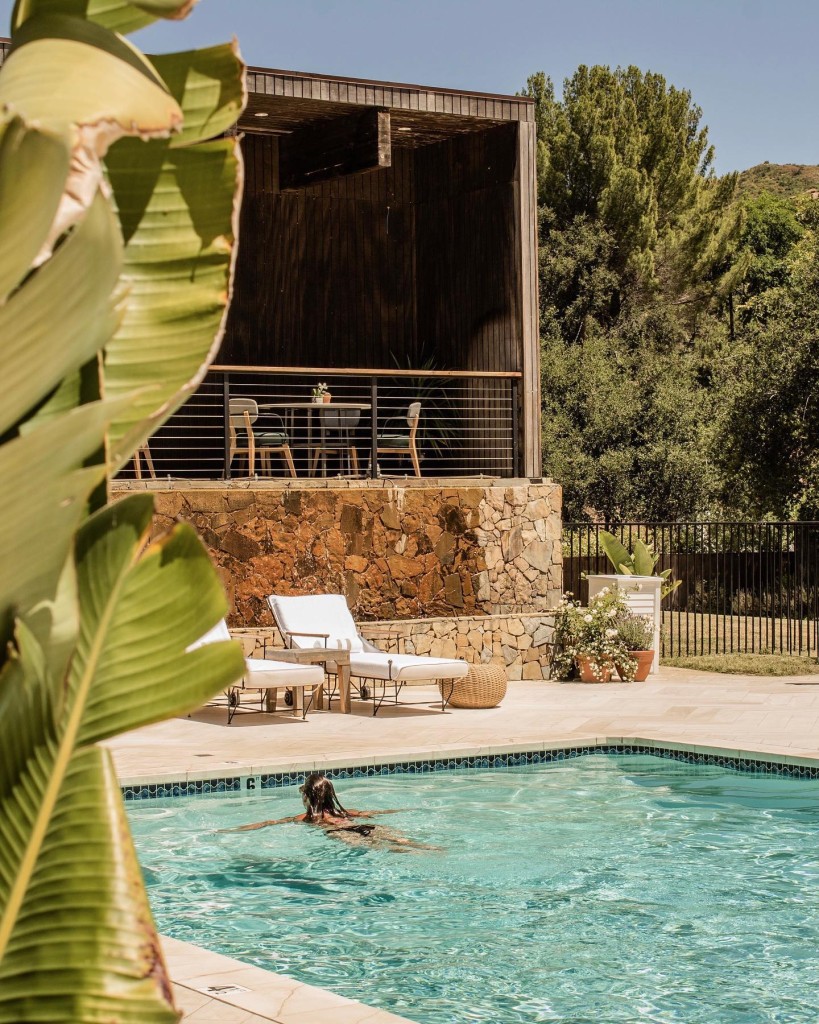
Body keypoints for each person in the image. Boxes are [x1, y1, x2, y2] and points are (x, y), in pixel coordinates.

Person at [222, 772, 439, 852]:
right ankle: (427, 848)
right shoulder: (344, 812)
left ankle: (415, 851)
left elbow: (269, 823)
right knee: (399, 841)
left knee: (382, 848)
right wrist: (404, 809)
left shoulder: (309, 818)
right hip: (364, 827)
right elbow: (373, 812)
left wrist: (233, 830)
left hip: (342, 833)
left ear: (306, 796)